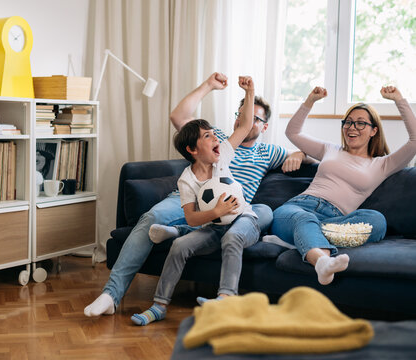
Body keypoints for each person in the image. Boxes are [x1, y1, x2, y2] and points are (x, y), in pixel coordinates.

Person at [84, 72, 308, 317]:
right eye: (242, 112)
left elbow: (306, 153)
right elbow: (178, 118)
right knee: (149, 219)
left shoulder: (268, 152)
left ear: (264, 126)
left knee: (208, 228)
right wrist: (209, 85)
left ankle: (176, 232)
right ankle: (111, 295)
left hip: (225, 211)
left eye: (255, 117)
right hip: (190, 198)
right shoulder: (217, 140)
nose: (245, 119)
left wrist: (298, 154)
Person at [131, 77, 260, 325]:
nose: (216, 140)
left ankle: (226, 298)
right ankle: (159, 306)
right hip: (213, 226)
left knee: (233, 237)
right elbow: (192, 218)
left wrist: (250, 92)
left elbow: (244, 126)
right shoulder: (187, 180)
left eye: (215, 135)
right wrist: (218, 211)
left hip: (244, 219)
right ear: (192, 149)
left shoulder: (222, 157)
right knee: (179, 246)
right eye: (209, 137)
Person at [271, 86, 416, 285]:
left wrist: (399, 100)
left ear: (374, 130)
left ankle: (299, 237)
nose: (351, 127)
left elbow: (414, 141)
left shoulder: (382, 164)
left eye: (360, 123)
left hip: (337, 218)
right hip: (299, 206)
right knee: (303, 218)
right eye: (347, 122)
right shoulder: (330, 149)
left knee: (377, 220)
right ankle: (322, 261)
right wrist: (310, 101)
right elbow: (293, 132)